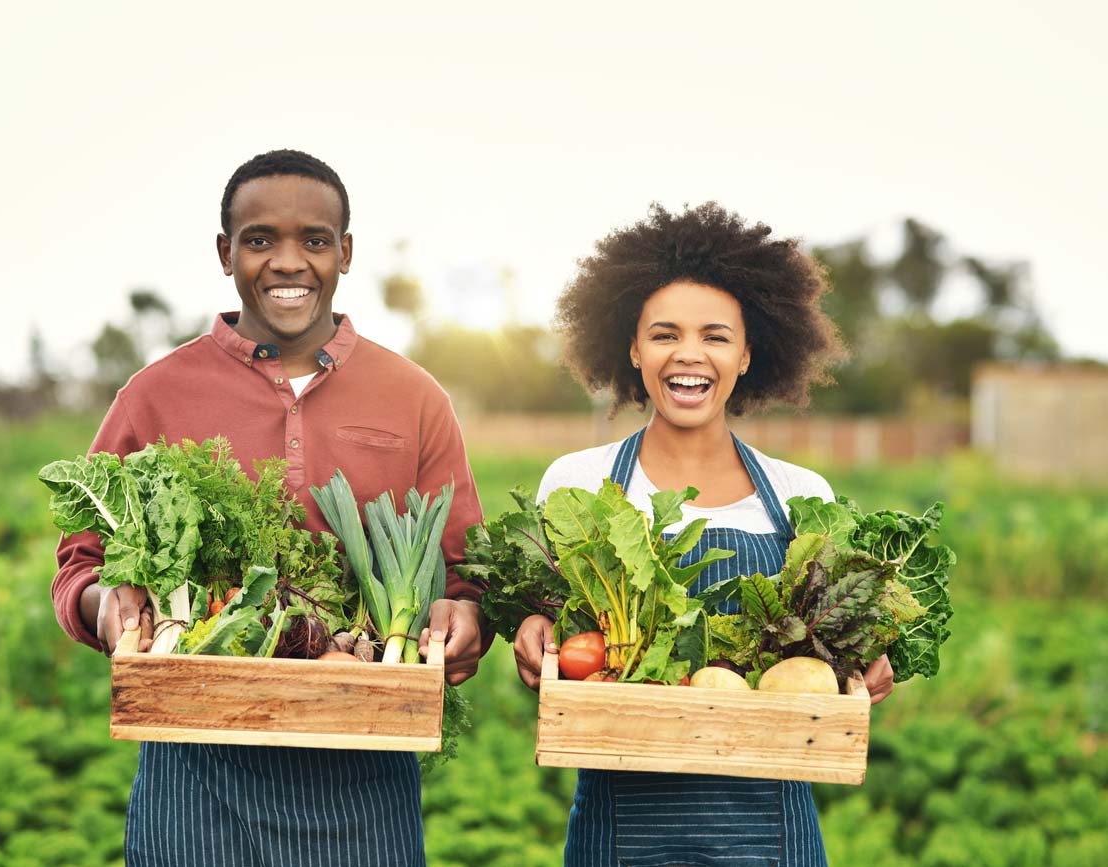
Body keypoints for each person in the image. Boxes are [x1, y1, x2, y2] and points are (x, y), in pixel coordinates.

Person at [51, 149, 488, 867]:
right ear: (226, 253)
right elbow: (80, 560)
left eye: (314, 241)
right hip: (194, 766)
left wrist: (467, 617)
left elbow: (467, 574)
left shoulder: (413, 397)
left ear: (345, 252)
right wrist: (106, 606)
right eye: (260, 240)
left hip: (362, 766)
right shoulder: (155, 394)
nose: (289, 262)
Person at [512, 202, 895, 867]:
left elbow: (828, 664)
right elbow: (557, 641)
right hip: (619, 829)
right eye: (664, 334)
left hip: (773, 835)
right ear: (632, 348)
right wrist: (532, 637)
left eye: (716, 336)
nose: (689, 354)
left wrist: (861, 666)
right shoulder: (576, 482)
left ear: (749, 354)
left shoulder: (803, 495)